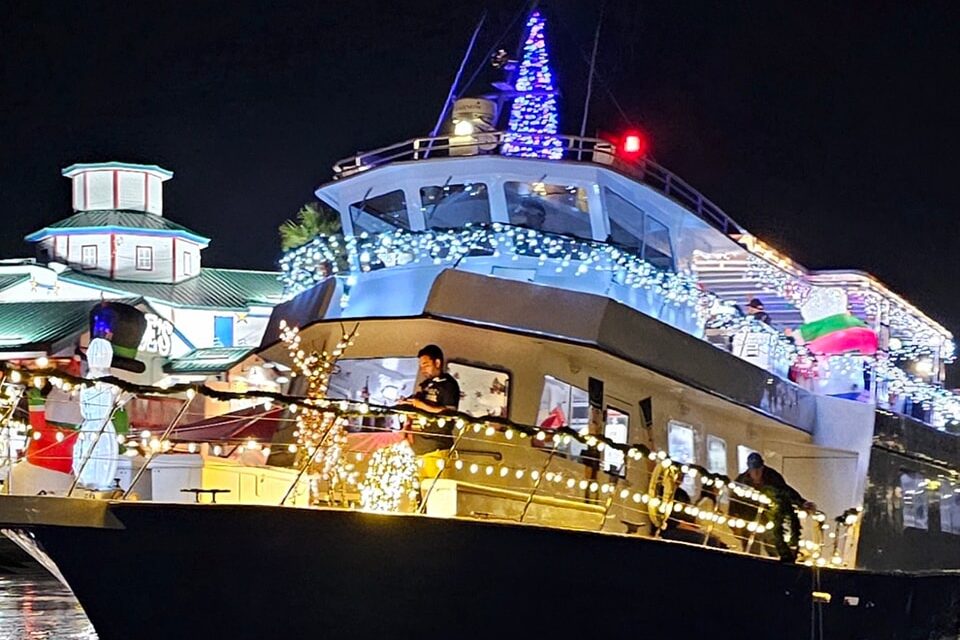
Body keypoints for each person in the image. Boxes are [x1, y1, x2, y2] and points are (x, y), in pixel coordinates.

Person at [735, 452, 815, 561]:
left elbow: (785, 491)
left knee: (774, 544)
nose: (757, 473)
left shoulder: (772, 477)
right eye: (754, 470)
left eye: (759, 469)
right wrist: (735, 516)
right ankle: (752, 564)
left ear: (762, 467)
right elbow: (734, 499)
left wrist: (802, 502)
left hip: (769, 517)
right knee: (751, 549)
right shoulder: (741, 481)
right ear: (749, 469)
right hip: (749, 519)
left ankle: (783, 561)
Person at [396, 344, 461, 455]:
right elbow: (416, 408)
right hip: (416, 445)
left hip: (436, 446)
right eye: (421, 367)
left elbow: (449, 412)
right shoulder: (425, 385)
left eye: (425, 365)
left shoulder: (449, 385)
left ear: (437, 363)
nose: (422, 370)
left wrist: (420, 405)